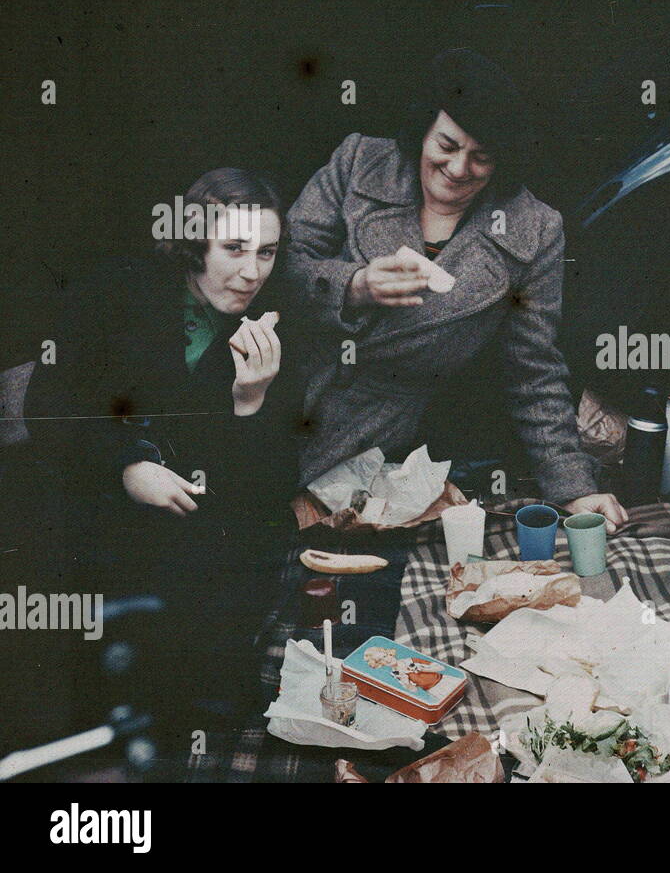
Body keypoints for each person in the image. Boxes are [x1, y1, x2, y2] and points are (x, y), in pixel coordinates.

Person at [285, 48, 625, 530]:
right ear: (422, 131)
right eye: (446, 145)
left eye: (481, 157)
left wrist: (575, 487)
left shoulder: (535, 229)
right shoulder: (360, 161)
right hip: (282, 399)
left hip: (378, 442)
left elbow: (533, 371)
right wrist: (352, 287)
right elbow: (279, 269)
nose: (459, 169)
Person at [24, 168, 302, 745]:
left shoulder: (275, 325)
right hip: (94, 512)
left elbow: (269, 487)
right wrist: (126, 467)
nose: (253, 272)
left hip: (199, 538)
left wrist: (250, 401)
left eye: (267, 252)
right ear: (195, 239)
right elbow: (46, 408)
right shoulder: (117, 293)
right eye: (234, 249)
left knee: (217, 698)